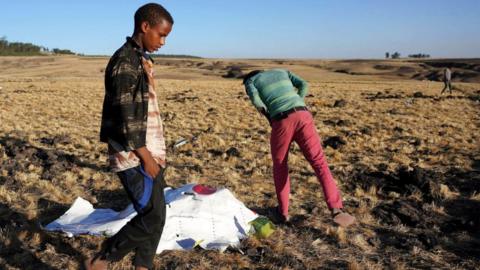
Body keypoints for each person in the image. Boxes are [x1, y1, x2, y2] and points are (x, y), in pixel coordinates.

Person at [84, 3, 173, 270]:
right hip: (134, 153)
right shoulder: (125, 61)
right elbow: (126, 113)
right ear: (145, 27)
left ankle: (142, 266)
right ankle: (101, 259)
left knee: (157, 214)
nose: (163, 42)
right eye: (161, 34)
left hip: (150, 149)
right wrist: (144, 156)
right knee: (151, 216)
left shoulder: (140, 58)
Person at [243, 69, 355, 227]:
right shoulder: (282, 72)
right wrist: (298, 102)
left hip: (282, 120)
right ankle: (337, 209)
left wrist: (269, 116)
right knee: (319, 162)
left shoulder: (251, 82)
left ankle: (282, 212)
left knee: (280, 165)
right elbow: (304, 84)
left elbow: (256, 101)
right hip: (303, 115)